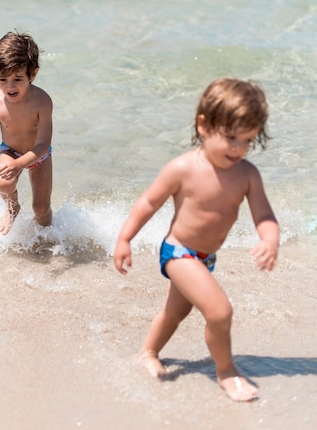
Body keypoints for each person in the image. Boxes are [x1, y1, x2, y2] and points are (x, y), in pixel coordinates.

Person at [113, 78, 279, 402]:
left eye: (247, 140)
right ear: (203, 125)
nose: (238, 148)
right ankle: (226, 372)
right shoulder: (183, 168)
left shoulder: (247, 174)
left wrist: (270, 240)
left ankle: (147, 352)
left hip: (205, 256)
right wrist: (124, 238)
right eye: (230, 137)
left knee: (175, 313)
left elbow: (264, 216)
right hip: (178, 252)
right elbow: (148, 202)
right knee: (219, 312)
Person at [0, 31, 53, 235]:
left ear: (32, 74)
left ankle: (46, 236)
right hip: (10, 151)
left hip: (38, 156)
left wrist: (21, 164)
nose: (9, 87)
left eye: (17, 79)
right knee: (4, 183)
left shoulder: (42, 102)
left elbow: (43, 144)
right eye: (2, 79)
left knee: (41, 209)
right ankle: (12, 208)